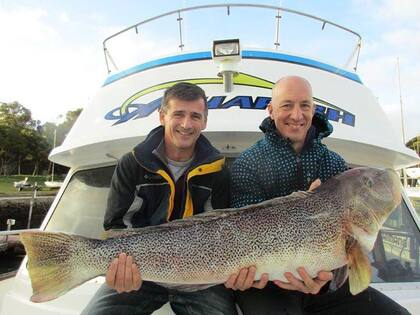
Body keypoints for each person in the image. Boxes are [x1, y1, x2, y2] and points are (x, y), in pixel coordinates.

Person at [227, 76, 410, 314]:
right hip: (266, 286)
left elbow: (348, 248)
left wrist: (325, 281)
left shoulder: (333, 162)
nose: (296, 114)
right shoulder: (248, 164)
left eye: (304, 105)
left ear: (313, 110)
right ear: (271, 110)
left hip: (323, 283)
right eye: (286, 105)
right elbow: (241, 231)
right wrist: (245, 276)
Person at [81, 82, 237, 315]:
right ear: (162, 116)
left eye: (195, 116)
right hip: (140, 274)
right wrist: (121, 267)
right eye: (178, 114)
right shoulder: (131, 164)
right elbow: (116, 227)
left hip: (201, 279)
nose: (186, 124)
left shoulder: (218, 170)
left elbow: (222, 232)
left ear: (204, 122)